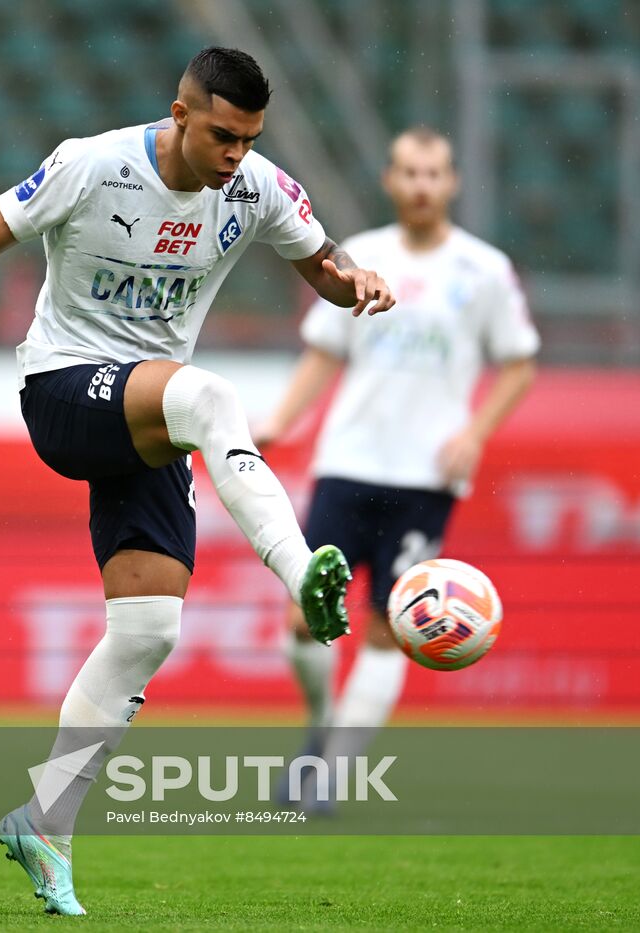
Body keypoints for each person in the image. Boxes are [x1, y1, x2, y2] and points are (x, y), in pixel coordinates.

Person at [0, 47, 395, 915]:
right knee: (209, 394)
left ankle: (44, 818)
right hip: (66, 391)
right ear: (181, 112)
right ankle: (301, 572)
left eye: (249, 140)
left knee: (149, 627)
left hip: (150, 418)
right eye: (223, 136)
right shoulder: (93, 163)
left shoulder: (257, 186)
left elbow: (325, 266)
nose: (235, 156)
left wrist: (360, 284)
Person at [256, 127, 538, 792]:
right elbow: (326, 350)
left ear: (452, 182)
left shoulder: (485, 269)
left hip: (426, 477)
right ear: (390, 180)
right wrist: (280, 420)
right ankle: (321, 726)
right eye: (409, 172)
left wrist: (475, 433)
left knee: (392, 624)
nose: (420, 185)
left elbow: (519, 364)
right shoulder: (365, 258)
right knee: (306, 613)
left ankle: (330, 775)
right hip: (348, 460)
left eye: (433, 173)